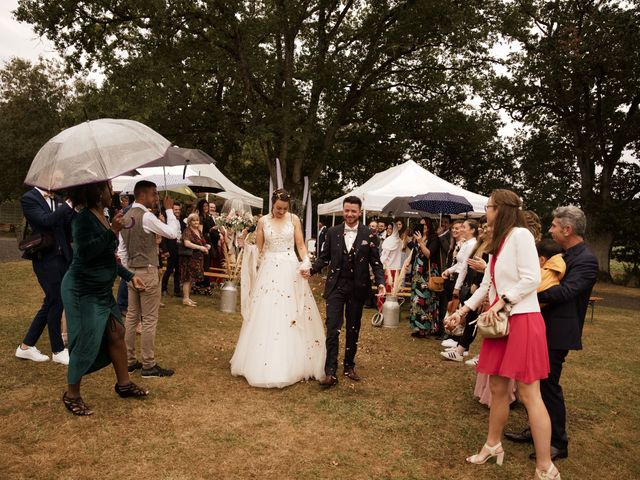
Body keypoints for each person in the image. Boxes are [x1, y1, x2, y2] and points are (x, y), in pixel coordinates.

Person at [447, 189, 559, 480]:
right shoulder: (499, 241)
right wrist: (462, 312)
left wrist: (503, 303)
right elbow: (487, 285)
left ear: (502, 209)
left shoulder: (521, 235)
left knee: (528, 392)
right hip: (500, 325)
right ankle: (493, 445)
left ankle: (546, 466)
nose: (486, 213)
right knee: (497, 389)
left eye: (488, 207)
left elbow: (532, 278)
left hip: (522, 321)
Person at [505, 206, 598, 464]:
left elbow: (565, 292)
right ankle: (537, 430)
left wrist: (527, 295)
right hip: (541, 326)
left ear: (567, 229)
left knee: (548, 384)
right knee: (534, 382)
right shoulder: (563, 254)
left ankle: (557, 442)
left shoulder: (586, 260)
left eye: (554, 226)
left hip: (558, 331)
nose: (550, 230)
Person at [60, 181, 148, 416]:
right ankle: (72, 395)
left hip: (100, 290)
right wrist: (113, 231)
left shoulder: (103, 215)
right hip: (81, 290)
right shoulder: (83, 219)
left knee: (116, 332)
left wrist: (129, 276)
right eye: (110, 189)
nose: (114, 193)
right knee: (85, 339)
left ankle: (124, 384)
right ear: (99, 193)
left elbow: (108, 258)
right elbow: (85, 254)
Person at [230, 189, 326, 388]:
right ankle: (262, 360)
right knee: (267, 311)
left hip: (291, 267)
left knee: (292, 310)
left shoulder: (295, 219)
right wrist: (246, 248)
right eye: (278, 208)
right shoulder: (263, 221)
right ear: (272, 205)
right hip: (270, 268)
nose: (281, 211)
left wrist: (306, 260)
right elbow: (259, 248)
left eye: (284, 208)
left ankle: (296, 359)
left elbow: (300, 245)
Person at [304, 196, 386, 387]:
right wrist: (312, 270)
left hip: (358, 288)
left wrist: (380, 282)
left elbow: (376, 262)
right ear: (343, 211)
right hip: (335, 287)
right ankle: (330, 371)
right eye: (347, 210)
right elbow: (323, 257)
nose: (350, 214)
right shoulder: (332, 232)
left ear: (360, 211)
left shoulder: (369, 234)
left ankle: (349, 365)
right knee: (332, 327)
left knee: (353, 328)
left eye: (353, 211)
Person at [119, 181, 181, 378]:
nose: (156, 198)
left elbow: (121, 249)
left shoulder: (126, 216)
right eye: (154, 194)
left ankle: (128, 361)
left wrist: (128, 270)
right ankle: (148, 364)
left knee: (131, 316)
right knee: (149, 319)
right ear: (143, 195)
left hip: (130, 271)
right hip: (147, 270)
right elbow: (172, 233)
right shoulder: (146, 216)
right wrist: (170, 212)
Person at [15, 186, 74, 364]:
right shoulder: (29, 198)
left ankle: (26, 346)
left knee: (53, 300)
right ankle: (57, 350)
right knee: (55, 300)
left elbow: (65, 227)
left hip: (63, 255)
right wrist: (67, 206)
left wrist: (74, 211)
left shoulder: (58, 198)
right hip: (44, 256)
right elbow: (45, 221)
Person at [408, 219, 441, 338]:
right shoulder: (418, 237)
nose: (423, 226)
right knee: (416, 299)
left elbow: (429, 254)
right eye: (421, 224)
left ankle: (425, 328)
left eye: (425, 224)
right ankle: (417, 326)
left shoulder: (434, 238)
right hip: (417, 272)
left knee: (426, 300)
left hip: (427, 272)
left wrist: (421, 242)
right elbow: (415, 253)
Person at [180, 213, 210, 307]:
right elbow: (187, 243)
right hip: (189, 258)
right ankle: (185, 298)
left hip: (197, 258)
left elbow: (202, 242)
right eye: (194, 220)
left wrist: (206, 247)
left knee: (191, 279)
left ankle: (188, 298)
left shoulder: (198, 231)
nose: (196, 222)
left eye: (197, 220)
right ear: (189, 222)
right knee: (187, 278)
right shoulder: (187, 231)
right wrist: (200, 248)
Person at [161, 203, 183, 296]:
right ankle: (163, 289)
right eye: (175, 209)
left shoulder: (180, 221)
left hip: (179, 247)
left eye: (178, 209)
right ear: (172, 210)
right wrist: (165, 250)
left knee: (178, 270)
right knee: (169, 269)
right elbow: (163, 237)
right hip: (171, 248)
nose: (177, 211)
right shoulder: (167, 221)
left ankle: (177, 290)